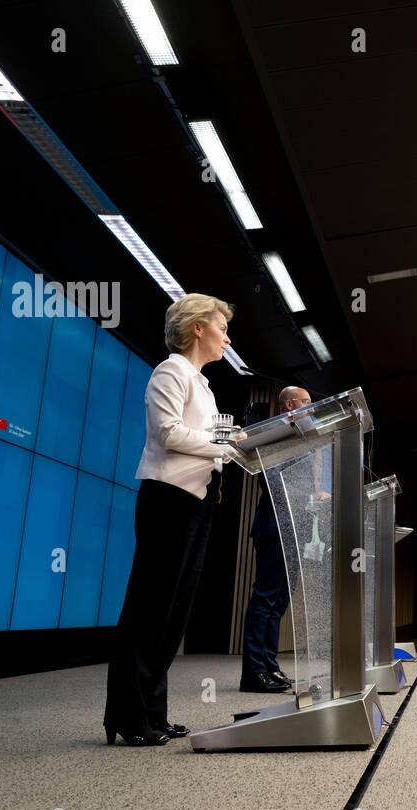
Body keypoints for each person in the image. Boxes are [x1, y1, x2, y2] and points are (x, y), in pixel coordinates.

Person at [103, 294, 241, 746]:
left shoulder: (205, 386)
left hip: (199, 502)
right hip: (167, 499)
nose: (226, 335)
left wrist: (241, 439)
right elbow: (168, 433)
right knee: (149, 609)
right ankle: (127, 716)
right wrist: (223, 444)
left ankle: (153, 713)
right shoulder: (170, 371)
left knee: (173, 613)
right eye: (221, 326)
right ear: (198, 327)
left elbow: (212, 439)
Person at [239, 386, 315, 692]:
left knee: (278, 602)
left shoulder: (298, 438)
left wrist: (312, 496)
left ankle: (269, 665)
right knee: (266, 599)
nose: (312, 408)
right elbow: (271, 479)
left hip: (294, 528)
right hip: (274, 527)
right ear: (291, 405)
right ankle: (254, 671)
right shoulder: (274, 434)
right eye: (308, 403)